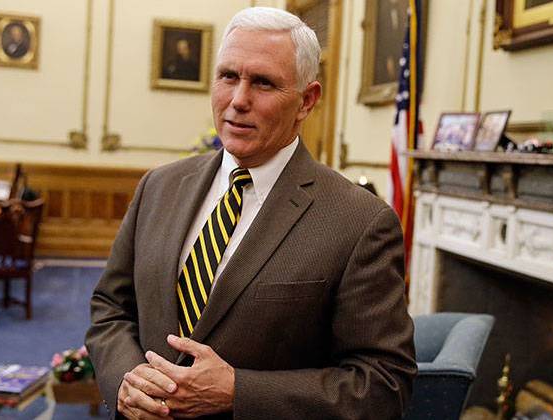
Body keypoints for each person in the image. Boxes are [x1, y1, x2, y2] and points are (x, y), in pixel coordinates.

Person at [86, 7, 416, 419]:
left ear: (306, 101)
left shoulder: (359, 223)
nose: (239, 100)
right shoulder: (159, 186)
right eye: (228, 76)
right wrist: (126, 380)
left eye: (263, 83)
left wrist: (238, 393)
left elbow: (383, 383)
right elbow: (111, 307)